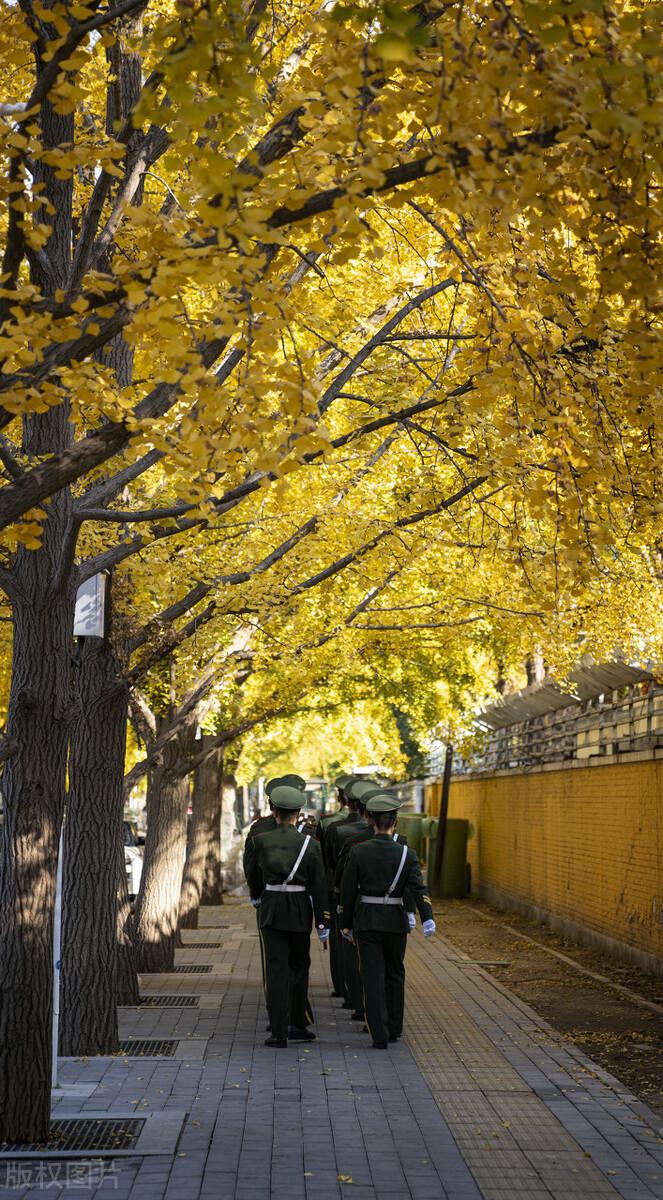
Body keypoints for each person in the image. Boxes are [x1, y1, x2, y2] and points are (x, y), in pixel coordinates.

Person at [339, 794, 435, 1049]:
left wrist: (345, 923)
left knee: (371, 976)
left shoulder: (358, 851)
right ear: (396, 821)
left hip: (367, 921)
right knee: (395, 974)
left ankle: (378, 1033)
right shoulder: (407, 854)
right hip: (395, 921)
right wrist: (427, 918)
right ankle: (395, 1027)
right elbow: (418, 888)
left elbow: (348, 891)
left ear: (371, 821)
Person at [245, 784, 329, 1048]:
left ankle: (278, 1032)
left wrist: (257, 896)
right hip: (300, 909)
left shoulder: (260, 840)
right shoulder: (310, 845)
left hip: (271, 907)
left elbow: (253, 875)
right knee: (299, 967)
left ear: (273, 809)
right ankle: (297, 1024)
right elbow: (319, 885)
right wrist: (323, 921)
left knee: (275, 969)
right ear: (298, 812)